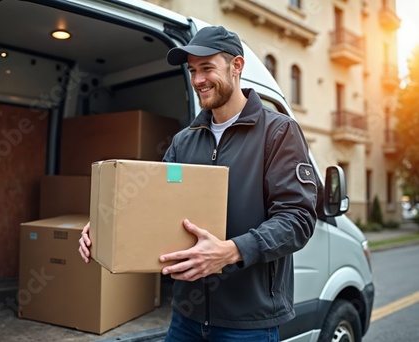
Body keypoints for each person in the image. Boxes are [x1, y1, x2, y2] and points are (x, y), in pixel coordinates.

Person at [79, 25, 318, 342]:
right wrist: (102, 226)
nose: (197, 80)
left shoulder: (278, 132)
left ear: (236, 67)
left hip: (248, 324)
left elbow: (297, 219)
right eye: (192, 70)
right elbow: (152, 206)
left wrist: (230, 251)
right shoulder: (183, 140)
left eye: (207, 68)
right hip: (186, 319)